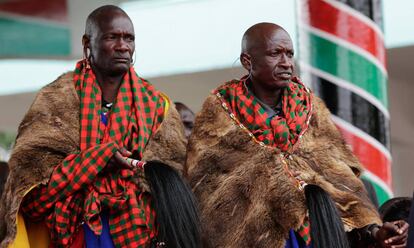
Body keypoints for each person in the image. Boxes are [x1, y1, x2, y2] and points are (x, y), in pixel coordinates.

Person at [185, 22, 408, 248]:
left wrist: (373, 231)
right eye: (275, 54)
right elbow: (207, 190)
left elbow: (342, 182)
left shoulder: (311, 109)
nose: (286, 63)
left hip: (321, 236)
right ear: (247, 61)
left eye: (289, 54)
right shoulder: (218, 114)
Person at [0, 5, 199, 248]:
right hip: (74, 233)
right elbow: (30, 195)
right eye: (112, 37)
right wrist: (94, 161)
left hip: (141, 233)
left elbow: (173, 180)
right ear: (87, 43)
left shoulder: (158, 106)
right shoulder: (54, 101)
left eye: (129, 38)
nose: (123, 46)